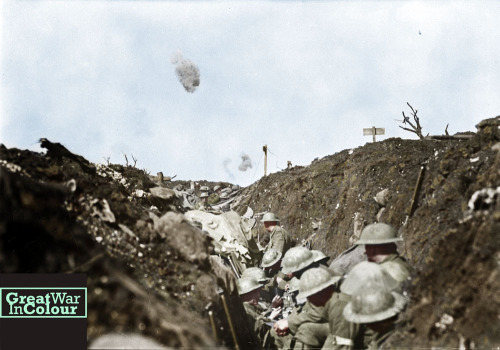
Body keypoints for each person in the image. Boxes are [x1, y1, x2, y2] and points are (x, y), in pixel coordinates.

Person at [237, 277, 281, 349]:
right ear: (246, 295)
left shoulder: (249, 307)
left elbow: (260, 317)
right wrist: (270, 318)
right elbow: (258, 331)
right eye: (255, 292)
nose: (258, 295)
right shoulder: (246, 312)